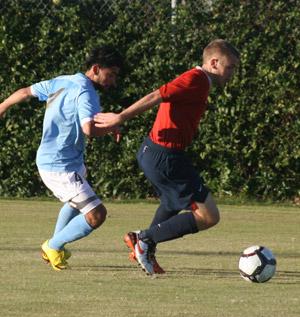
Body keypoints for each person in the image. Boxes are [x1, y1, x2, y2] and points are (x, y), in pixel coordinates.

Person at [94, 39, 240, 275]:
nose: (232, 73)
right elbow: (156, 96)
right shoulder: (195, 79)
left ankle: (143, 248)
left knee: (172, 202)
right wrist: (120, 117)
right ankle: (144, 240)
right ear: (214, 63)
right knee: (209, 216)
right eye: (230, 67)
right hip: (164, 156)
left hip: (159, 154)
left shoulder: (201, 81)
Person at [0, 45, 123, 271]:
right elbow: (88, 130)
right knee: (96, 214)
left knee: (74, 203)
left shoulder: (64, 81)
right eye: (111, 74)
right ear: (96, 68)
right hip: (59, 166)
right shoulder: (86, 92)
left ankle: (53, 250)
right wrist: (113, 124)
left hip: (66, 161)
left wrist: (3, 105)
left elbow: (26, 91)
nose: (113, 81)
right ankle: (53, 245)